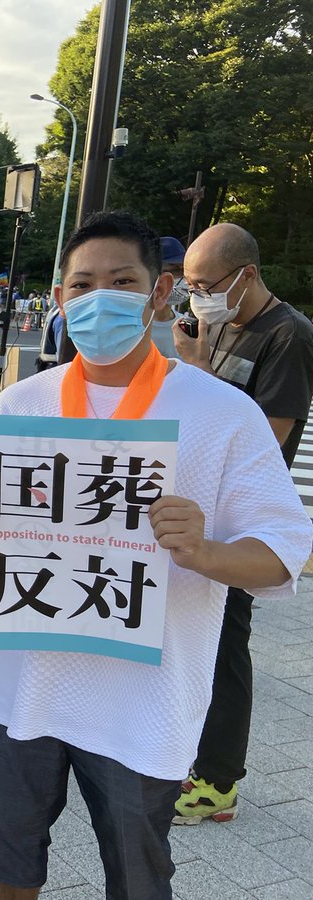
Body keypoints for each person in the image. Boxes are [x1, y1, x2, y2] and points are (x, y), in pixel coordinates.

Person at [0, 211, 312, 900]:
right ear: (59, 299)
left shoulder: (220, 413)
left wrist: (204, 552)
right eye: (81, 285)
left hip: (143, 700)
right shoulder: (20, 407)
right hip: (23, 687)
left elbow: (283, 553)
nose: (99, 299)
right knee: (9, 855)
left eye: (122, 282)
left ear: (160, 292)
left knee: (139, 872)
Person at [171, 222, 313, 825]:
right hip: (203, 512)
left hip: (241, 522)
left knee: (226, 643)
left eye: (205, 284)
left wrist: (199, 368)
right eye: (189, 285)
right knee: (199, 637)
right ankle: (195, 757)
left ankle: (218, 782)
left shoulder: (289, 335)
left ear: (246, 274)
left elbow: (263, 439)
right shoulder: (224, 322)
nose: (196, 297)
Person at [151, 236, 187, 357]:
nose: (184, 279)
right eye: (177, 270)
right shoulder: (134, 329)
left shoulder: (186, 326)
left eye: (185, 271)